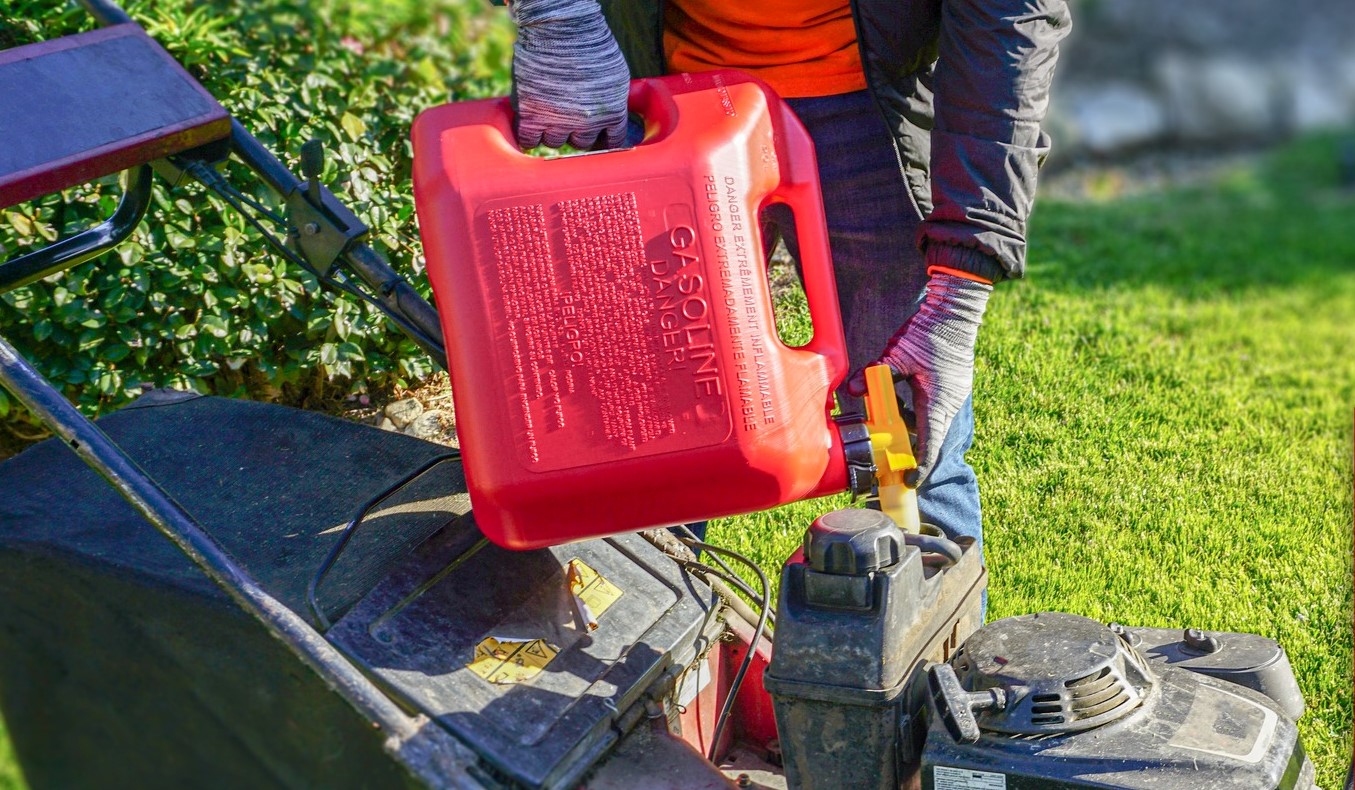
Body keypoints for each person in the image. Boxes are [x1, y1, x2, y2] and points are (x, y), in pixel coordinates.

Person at [502, 0, 1071, 579]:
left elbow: (1010, 19)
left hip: (863, 107)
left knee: (909, 446)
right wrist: (559, 16)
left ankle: (932, 631)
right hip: (666, 98)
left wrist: (958, 296)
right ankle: (644, 623)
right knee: (638, 437)